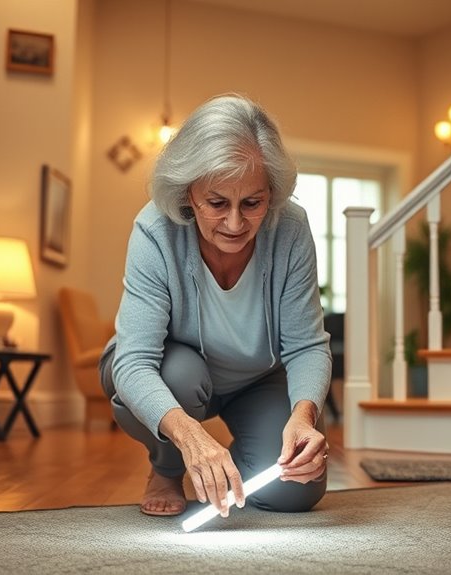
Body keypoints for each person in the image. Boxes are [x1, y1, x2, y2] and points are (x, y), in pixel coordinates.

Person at [99, 94, 332, 519]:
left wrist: (304, 417)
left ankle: (227, 459)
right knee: (179, 375)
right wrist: (190, 437)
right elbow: (133, 362)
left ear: (272, 194)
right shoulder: (154, 229)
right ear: (188, 192)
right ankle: (167, 466)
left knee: (294, 492)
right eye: (218, 203)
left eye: (253, 203)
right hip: (176, 373)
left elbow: (306, 346)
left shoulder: (292, 228)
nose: (235, 224)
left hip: (256, 379)